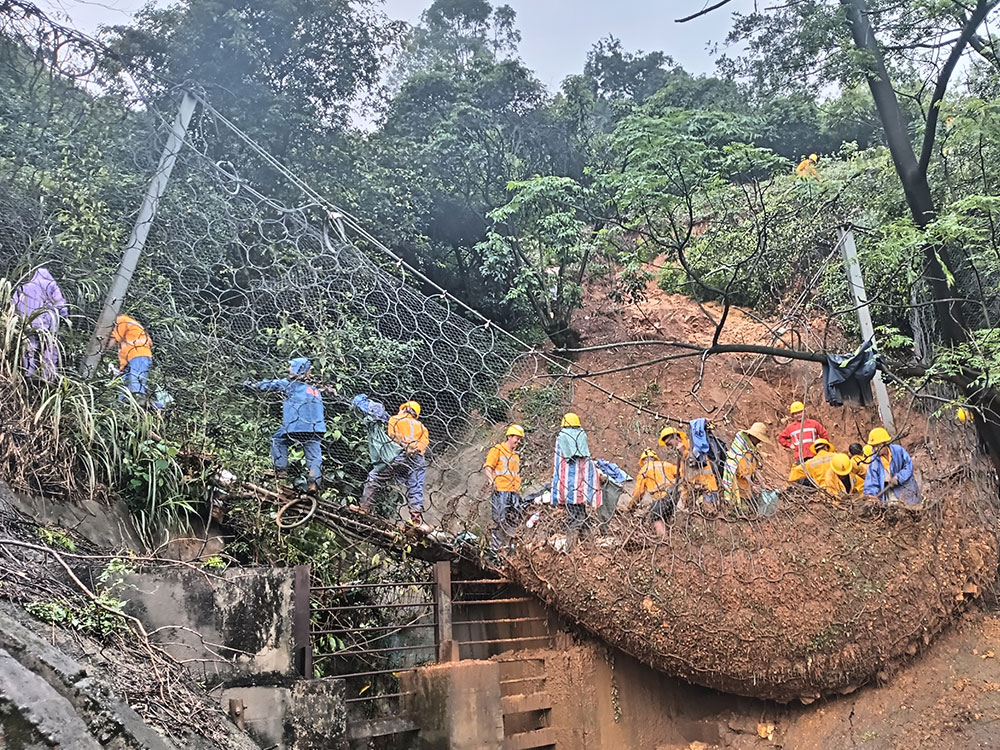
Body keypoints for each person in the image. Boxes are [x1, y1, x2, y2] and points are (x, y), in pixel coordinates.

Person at [243, 357, 326, 493]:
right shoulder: (314, 388)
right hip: (316, 428)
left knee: (278, 440)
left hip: (296, 426)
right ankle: (313, 483)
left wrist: (251, 385)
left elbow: (271, 385)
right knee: (314, 455)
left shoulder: (290, 384)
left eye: (291, 366)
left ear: (296, 369)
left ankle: (281, 469)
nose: (289, 369)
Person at [551, 413, 602, 546]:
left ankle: (572, 547)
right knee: (580, 515)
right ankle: (589, 545)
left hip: (568, 487)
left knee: (577, 516)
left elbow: (559, 466)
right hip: (581, 487)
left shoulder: (561, 438)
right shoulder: (581, 436)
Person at [12, 267, 69, 382]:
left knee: (30, 347)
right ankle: (48, 377)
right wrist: (64, 316)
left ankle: (28, 374)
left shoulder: (23, 286)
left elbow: (13, 304)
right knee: (49, 348)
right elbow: (61, 305)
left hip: (27, 323)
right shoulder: (51, 285)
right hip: (48, 325)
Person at [385, 401, 430, 526]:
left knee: (378, 476)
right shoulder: (422, 427)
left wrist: (405, 446)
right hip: (417, 457)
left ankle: (365, 506)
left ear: (404, 409)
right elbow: (423, 445)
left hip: (399, 454)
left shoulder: (394, 419)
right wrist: (414, 449)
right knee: (416, 485)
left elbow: (392, 435)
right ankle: (415, 516)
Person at [483, 424, 525, 549]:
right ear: (509, 436)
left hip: (514, 492)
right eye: (517, 438)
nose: (518, 441)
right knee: (500, 520)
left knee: (514, 520)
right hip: (501, 490)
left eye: (520, 439)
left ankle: (510, 548)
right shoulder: (498, 450)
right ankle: (497, 548)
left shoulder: (516, 456)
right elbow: (488, 467)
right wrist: (491, 481)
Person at [863, 427, 921, 506]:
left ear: (884, 443)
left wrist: (898, 477)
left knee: (915, 509)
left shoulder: (898, 451)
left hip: (907, 489)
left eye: (877, 446)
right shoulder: (874, 462)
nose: (875, 449)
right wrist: (870, 496)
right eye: (873, 447)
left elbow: (908, 466)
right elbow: (871, 482)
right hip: (890, 493)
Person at [721, 422, 770, 510]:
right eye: (758, 439)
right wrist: (753, 485)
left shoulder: (752, 451)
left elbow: (755, 469)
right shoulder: (741, 453)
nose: (759, 441)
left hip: (747, 488)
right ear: (752, 437)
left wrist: (763, 483)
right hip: (738, 487)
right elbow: (743, 473)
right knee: (744, 509)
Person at [108, 313, 154, 403]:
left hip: (138, 355)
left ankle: (144, 408)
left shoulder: (121, 320)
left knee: (135, 386)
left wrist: (100, 351)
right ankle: (125, 408)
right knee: (124, 389)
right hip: (132, 358)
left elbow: (114, 339)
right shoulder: (130, 322)